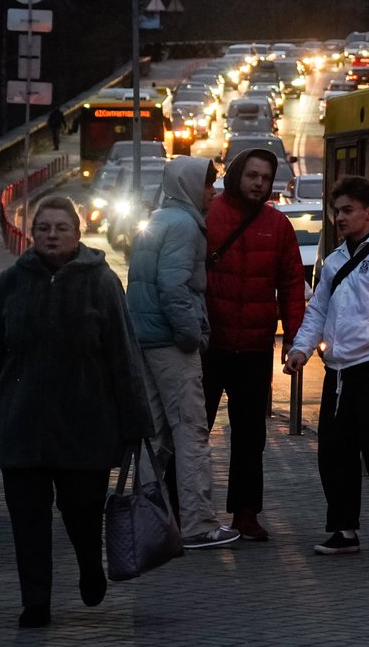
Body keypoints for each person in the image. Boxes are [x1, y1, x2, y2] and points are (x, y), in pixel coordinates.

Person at [0, 196, 152, 629]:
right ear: (32, 233)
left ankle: (89, 563)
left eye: (61, 228)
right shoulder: (11, 283)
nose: (52, 235)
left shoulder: (101, 283)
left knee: (82, 511)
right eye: (44, 228)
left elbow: (124, 355)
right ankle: (36, 602)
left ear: (78, 234)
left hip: (85, 427)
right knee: (28, 520)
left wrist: (135, 419)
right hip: (21, 425)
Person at [283, 175, 369, 557]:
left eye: (348, 210)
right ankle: (344, 529)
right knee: (334, 452)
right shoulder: (334, 260)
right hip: (339, 370)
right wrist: (301, 349)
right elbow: (318, 310)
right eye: (337, 211)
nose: (340, 218)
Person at [126, 155, 241, 550]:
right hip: (171, 344)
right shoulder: (185, 225)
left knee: (154, 435)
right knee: (191, 431)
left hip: (145, 339)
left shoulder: (159, 218)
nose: (212, 192)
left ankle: (145, 519)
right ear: (190, 186)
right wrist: (191, 335)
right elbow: (173, 286)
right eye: (207, 185)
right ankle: (198, 523)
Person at [203, 148, 306, 541]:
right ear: (236, 175)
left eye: (265, 177)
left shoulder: (277, 225)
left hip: (255, 348)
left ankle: (245, 514)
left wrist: (294, 337)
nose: (259, 183)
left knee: (250, 438)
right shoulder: (208, 215)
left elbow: (292, 284)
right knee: (194, 433)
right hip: (209, 345)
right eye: (252, 175)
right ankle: (181, 510)